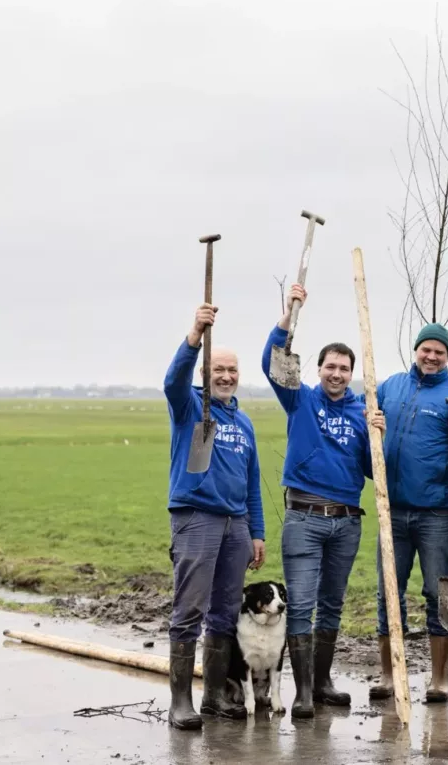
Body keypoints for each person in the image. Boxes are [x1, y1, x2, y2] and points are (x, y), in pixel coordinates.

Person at [261, 284, 384, 719]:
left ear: (352, 373)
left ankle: (324, 680)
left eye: (344, 368)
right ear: (318, 369)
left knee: (333, 603)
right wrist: (287, 317)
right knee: (303, 602)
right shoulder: (302, 400)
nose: (337, 374)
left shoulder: (361, 410)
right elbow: (270, 363)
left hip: (347, 521)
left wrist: (377, 435)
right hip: (305, 517)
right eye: (331, 366)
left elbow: (373, 471)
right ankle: (303, 692)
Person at [162, 302, 265, 730]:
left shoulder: (243, 422)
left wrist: (256, 532)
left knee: (224, 614)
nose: (226, 376)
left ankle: (215, 696)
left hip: (235, 526)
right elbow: (173, 382)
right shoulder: (190, 408)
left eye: (232, 371)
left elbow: (252, 481)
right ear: (206, 372)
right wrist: (194, 336)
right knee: (189, 610)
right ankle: (180, 703)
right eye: (218, 369)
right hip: (197, 520)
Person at [368, 322, 448, 705]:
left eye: (439, 351)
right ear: (416, 350)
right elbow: (370, 445)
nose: (431, 356)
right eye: (426, 349)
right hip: (392, 511)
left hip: (435, 513)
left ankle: (439, 680)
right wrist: (374, 431)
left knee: (437, 593)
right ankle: (388, 674)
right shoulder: (390, 388)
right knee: (389, 592)